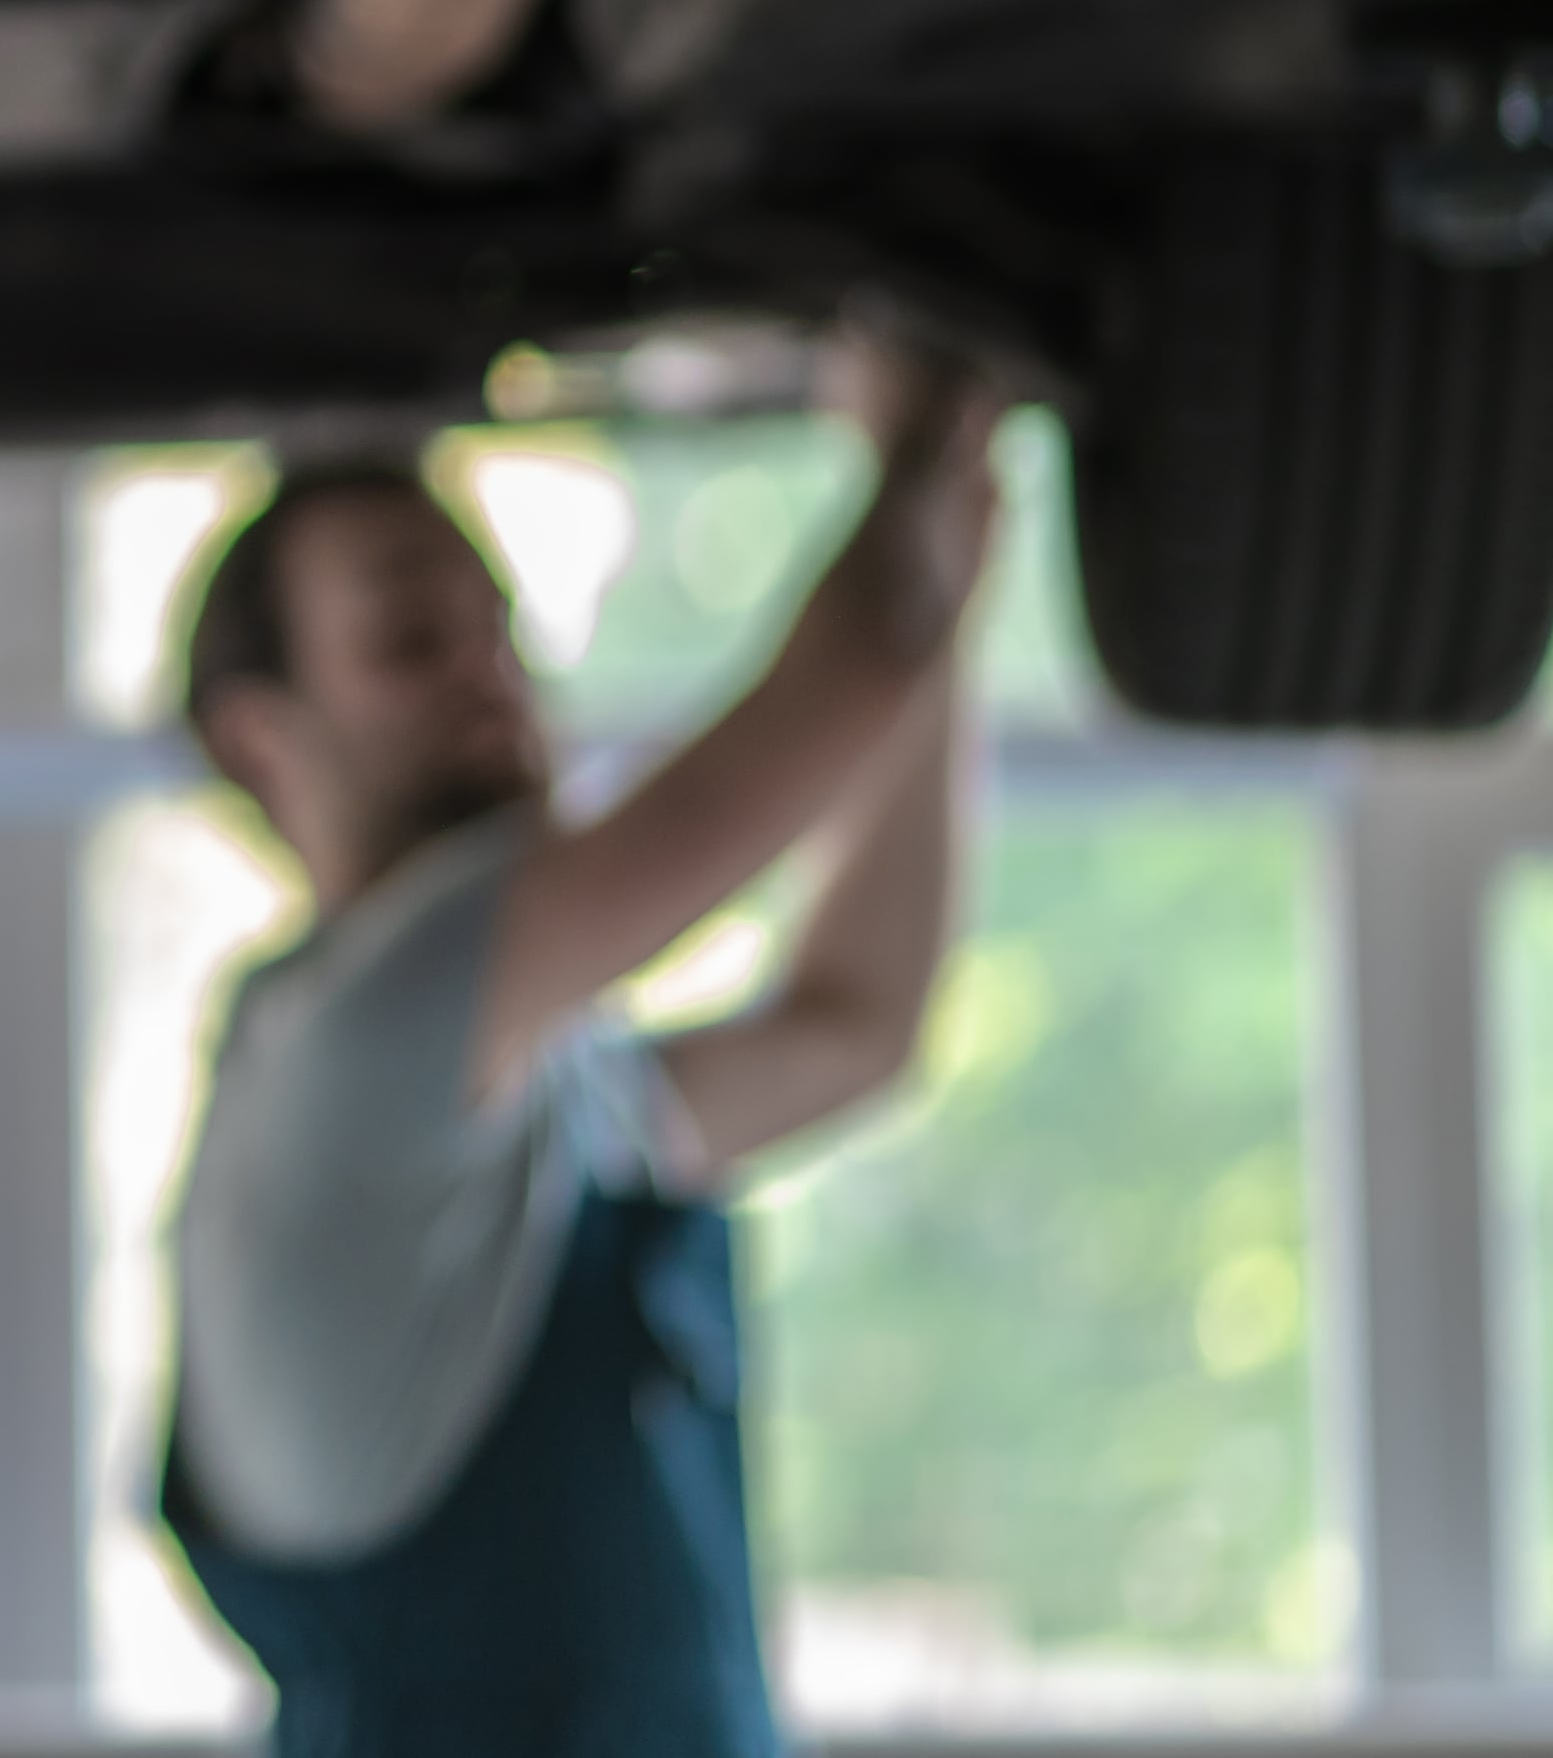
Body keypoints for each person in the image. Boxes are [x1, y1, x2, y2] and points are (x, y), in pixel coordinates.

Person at [160, 348, 1009, 1756]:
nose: (490, 675)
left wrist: (949, 566)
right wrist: (925, 422)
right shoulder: (353, 1038)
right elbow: (849, 670)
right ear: (260, 740)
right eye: (408, 643)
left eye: (494, 629)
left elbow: (856, 1023)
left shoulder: (533, 1093)